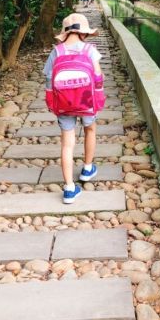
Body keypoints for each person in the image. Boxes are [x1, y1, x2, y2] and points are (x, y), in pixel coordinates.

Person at [43, 13, 104, 203]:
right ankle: (87, 168)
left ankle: (69, 189)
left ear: (65, 33)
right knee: (90, 129)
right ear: (83, 33)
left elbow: (48, 79)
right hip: (87, 102)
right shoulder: (90, 50)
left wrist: (52, 103)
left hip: (64, 104)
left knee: (67, 143)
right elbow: (98, 77)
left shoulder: (57, 51)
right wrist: (98, 99)